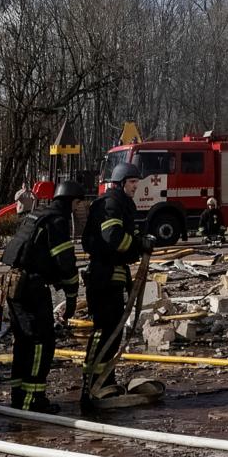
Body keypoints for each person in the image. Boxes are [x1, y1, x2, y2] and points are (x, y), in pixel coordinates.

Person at [0, 177, 84, 412]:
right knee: (40, 343)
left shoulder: (37, 215)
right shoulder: (57, 221)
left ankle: (19, 396)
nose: (79, 209)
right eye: (79, 204)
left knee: (23, 341)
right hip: (31, 287)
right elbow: (65, 263)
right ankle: (32, 401)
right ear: (72, 202)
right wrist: (72, 297)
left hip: (15, 284)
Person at [81, 162, 147, 412]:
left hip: (110, 275)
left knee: (110, 330)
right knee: (107, 330)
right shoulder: (112, 204)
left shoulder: (116, 203)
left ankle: (102, 380)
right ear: (121, 183)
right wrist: (138, 244)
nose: (135, 187)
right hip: (105, 275)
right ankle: (97, 382)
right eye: (132, 182)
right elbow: (113, 238)